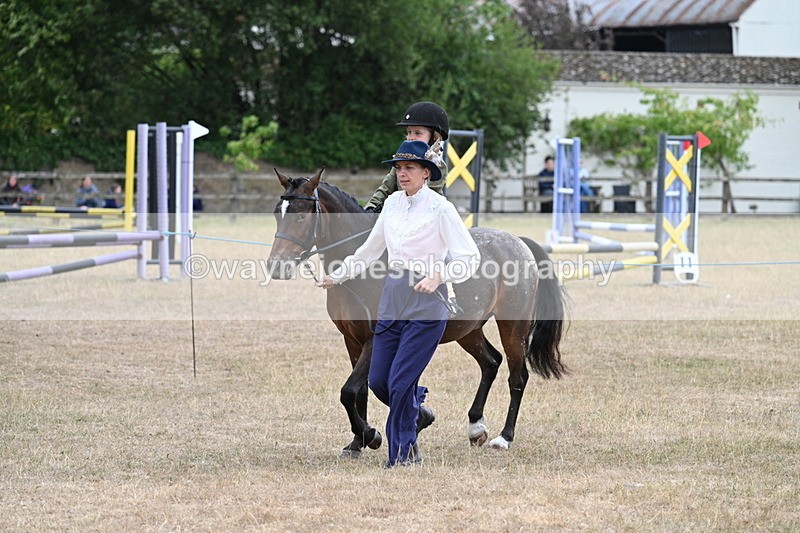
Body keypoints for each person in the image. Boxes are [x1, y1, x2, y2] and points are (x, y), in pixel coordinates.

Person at [320, 140, 480, 468]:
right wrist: (337, 275)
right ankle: (415, 410)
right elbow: (368, 251)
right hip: (393, 297)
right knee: (379, 380)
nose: (402, 173)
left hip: (427, 301)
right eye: (398, 168)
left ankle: (404, 454)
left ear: (426, 172)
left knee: (400, 382)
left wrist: (440, 275)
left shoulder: (441, 209)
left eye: (409, 168)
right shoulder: (392, 203)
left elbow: (470, 258)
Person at [364, 101, 449, 213]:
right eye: (409, 132)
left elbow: (423, 199)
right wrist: (370, 208)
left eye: (417, 133)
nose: (410, 137)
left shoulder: (437, 165)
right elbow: (386, 188)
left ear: (434, 137)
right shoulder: (402, 161)